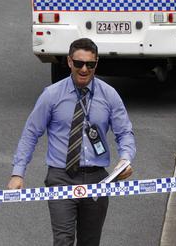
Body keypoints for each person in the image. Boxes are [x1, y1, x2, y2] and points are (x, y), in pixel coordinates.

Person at [7, 38, 136, 246]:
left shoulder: (109, 95)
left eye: (90, 64)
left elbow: (125, 133)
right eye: (79, 64)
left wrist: (125, 158)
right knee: (63, 240)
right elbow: (31, 133)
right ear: (69, 62)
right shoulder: (51, 95)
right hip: (61, 178)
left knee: (90, 242)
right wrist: (17, 173)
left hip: (97, 180)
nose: (84, 69)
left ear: (96, 63)